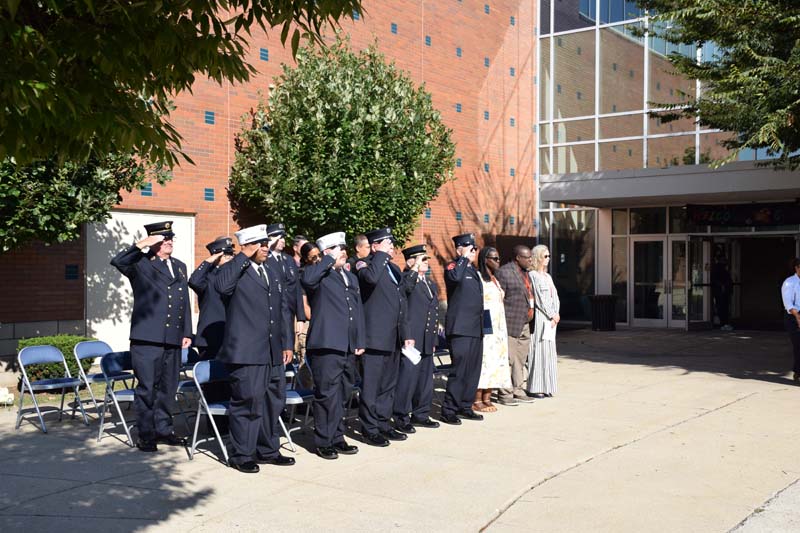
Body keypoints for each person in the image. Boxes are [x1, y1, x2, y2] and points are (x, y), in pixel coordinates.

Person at [214, 224, 294, 473]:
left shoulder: (271, 270)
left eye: (266, 244)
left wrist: (287, 343)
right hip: (247, 352)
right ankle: (242, 454)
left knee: (273, 401)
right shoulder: (234, 270)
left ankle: (268, 449)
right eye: (259, 245)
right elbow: (221, 287)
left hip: (272, 351)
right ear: (247, 247)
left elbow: (282, 310)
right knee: (247, 403)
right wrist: (242, 258)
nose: (265, 248)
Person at [110, 220, 192, 452]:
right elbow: (118, 261)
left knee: (168, 388)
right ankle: (146, 435)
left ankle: (164, 430)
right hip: (147, 338)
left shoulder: (179, 266)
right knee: (147, 389)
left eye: (170, 238)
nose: (168, 242)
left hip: (173, 338)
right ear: (153, 241)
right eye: (163, 239)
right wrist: (141, 245)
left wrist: (186, 331)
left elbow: (183, 301)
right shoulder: (140, 264)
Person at [301, 232, 366, 459]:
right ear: (327, 252)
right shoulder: (319, 274)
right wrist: (328, 260)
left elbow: (356, 311)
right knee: (326, 394)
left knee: (343, 394)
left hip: (347, 346)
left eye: (344, 249)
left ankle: (337, 437)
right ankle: (323, 440)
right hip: (327, 345)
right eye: (338, 250)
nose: (344, 254)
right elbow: (307, 280)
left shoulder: (349, 277)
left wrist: (360, 340)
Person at [355, 227, 413, 446]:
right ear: (376, 245)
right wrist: (378, 255)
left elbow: (402, 302)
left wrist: (406, 333)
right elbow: (369, 280)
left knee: (388, 386)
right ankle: (369, 428)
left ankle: (383, 423)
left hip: (393, 337)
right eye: (387, 243)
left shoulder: (393, 268)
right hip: (374, 337)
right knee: (371, 387)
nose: (392, 246)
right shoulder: (365, 264)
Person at [393, 244, 441, 433]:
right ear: (411, 261)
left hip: (427, 337)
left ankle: (421, 413)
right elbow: (404, 292)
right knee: (408, 379)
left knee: (425, 380)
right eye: (422, 259)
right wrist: (412, 269)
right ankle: (401, 417)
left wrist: (435, 339)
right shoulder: (406, 278)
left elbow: (433, 311)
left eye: (426, 259)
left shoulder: (429, 283)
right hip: (412, 337)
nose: (425, 262)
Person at [440, 233, 484, 425]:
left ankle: (465, 406)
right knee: (459, 370)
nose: (473, 251)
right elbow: (455, 278)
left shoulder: (473, 270)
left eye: (474, 248)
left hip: (475, 328)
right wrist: (463, 257)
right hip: (460, 328)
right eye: (469, 247)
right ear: (459, 249)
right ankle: (449, 409)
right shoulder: (453, 266)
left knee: (472, 371)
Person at [495, 245, 536, 406]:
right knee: (508, 359)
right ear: (518, 258)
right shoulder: (504, 272)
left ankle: (518, 389)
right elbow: (499, 300)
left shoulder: (527, 274)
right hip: (510, 323)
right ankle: (505, 393)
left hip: (526, 322)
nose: (530, 260)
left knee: (520, 358)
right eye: (527, 258)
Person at [474, 247, 512, 413]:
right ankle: (476, 399)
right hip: (486, 324)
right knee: (484, 361)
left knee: (495, 360)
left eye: (498, 258)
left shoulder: (495, 279)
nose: (498, 261)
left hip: (499, 327)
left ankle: (487, 397)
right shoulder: (478, 278)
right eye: (494, 258)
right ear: (485, 259)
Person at [188, 237, 235, 360]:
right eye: (226, 255)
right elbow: (194, 281)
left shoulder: (237, 277)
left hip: (232, 336)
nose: (230, 258)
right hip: (210, 337)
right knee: (212, 377)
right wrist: (209, 261)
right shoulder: (209, 277)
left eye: (231, 255)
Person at [526, 245, 560, 398]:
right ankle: (535, 387)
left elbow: (554, 297)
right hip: (541, 318)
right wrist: (552, 314)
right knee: (539, 351)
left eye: (549, 256)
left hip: (551, 320)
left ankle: (548, 385)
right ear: (538, 257)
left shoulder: (548, 276)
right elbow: (540, 298)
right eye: (545, 256)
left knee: (549, 352)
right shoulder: (533, 275)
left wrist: (556, 314)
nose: (548, 259)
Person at [780, 258, 800, 384]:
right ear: (797, 267)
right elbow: (788, 303)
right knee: (798, 345)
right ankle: (798, 372)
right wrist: (798, 317)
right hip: (794, 316)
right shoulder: (789, 282)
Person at [711, 255, 734, 331]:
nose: (726, 262)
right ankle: (723, 324)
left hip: (722, 291)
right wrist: (723, 286)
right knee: (723, 307)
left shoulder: (720, 268)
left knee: (723, 307)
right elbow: (717, 280)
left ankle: (724, 323)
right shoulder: (719, 269)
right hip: (721, 292)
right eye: (724, 260)